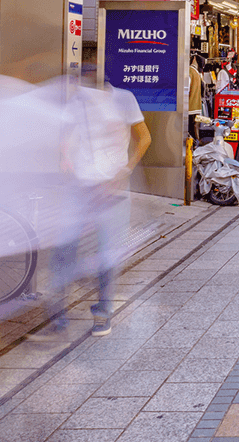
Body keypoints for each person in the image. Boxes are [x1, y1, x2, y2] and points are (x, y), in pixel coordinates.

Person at [45, 66, 152, 337]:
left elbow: (145, 137)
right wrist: (65, 157)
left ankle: (103, 313)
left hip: (112, 190)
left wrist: (126, 169)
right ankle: (59, 316)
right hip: (80, 187)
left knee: (107, 252)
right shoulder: (77, 101)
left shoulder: (123, 99)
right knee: (65, 248)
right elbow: (65, 137)